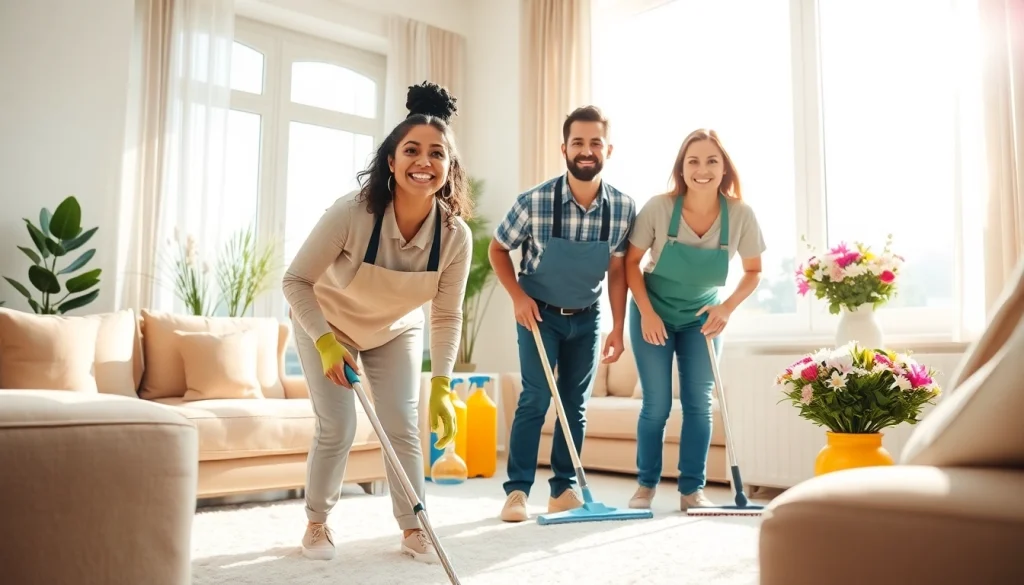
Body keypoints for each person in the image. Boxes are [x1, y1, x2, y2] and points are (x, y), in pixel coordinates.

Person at [282, 81, 473, 562]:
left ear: (449, 169)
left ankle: (414, 528)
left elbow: (447, 313)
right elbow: (296, 281)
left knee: (402, 427)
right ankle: (317, 523)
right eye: (411, 150)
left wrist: (445, 384)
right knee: (338, 426)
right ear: (392, 161)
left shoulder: (454, 237)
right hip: (327, 324)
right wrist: (325, 341)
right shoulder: (353, 213)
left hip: (395, 330)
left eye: (437, 154)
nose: (423, 162)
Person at [489, 105, 636, 522]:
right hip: (538, 314)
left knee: (575, 404)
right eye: (578, 142)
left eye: (594, 142)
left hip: (586, 317)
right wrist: (517, 296)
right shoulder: (534, 202)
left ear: (608, 148)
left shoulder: (623, 209)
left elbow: (618, 270)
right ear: (564, 148)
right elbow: (498, 249)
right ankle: (517, 492)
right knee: (535, 397)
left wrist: (617, 327)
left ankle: (562, 490)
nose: (586, 150)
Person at [623, 128, 765, 512]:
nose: (702, 169)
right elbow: (630, 265)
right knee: (656, 405)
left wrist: (726, 307)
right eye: (693, 161)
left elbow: (753, 271)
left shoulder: (740, 215)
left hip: (702, 317)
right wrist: (648, 313)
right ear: (682, 170)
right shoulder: (659, 208)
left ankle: (691, 491)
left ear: (724, 170)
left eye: (711, 161)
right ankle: (645, 487)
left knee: (699, 404)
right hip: (653, 312)